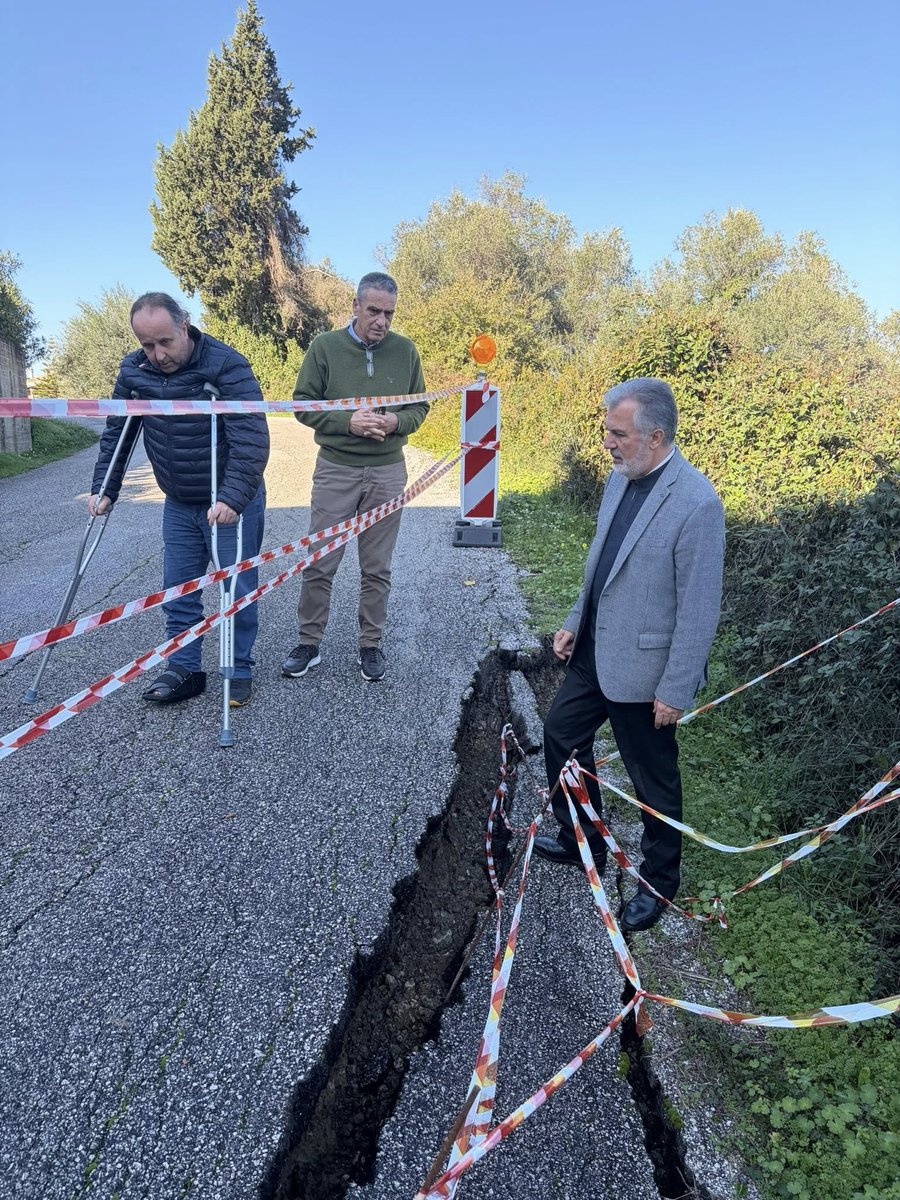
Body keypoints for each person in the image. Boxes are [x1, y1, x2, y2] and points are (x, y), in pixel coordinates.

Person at [534, 377, 725, 932]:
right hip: (595, 649)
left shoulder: (697, 504)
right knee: (561, 734)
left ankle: (658, 883)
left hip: (646, 671)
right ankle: (583, 839)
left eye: (618, 434)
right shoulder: (620, 479)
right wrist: (575, 620)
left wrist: (676, 688)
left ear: (655, 436)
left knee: (652, 782)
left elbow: (699, 609)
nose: (608, 443)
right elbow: (601, 563)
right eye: (607, 432)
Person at [88, 292, 269, 707]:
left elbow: (251, 437)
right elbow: (118, 433)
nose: (158, 355)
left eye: (165, 342)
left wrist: (233, 498)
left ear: (184, 327)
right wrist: (105, 488)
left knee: (236, 589)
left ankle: (238, 668)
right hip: (179, 500)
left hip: (228, 499)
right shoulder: (134, 372)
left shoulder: (226, 365)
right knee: (178, 590)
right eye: (147, 345)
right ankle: (184, 668)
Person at [281, 272, 429, 684]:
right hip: (336, 469)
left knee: (377, 567)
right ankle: (308, 643)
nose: (382, 321)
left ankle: (370, 645)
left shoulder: (406, 351)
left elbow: (420, 407)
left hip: (387, 472)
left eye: (389, 313)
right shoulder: (324, 347)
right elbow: (302, 404)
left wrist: (396, 422)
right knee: (320, 561)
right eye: (374, 311)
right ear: (355, 306)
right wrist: (349, 423)